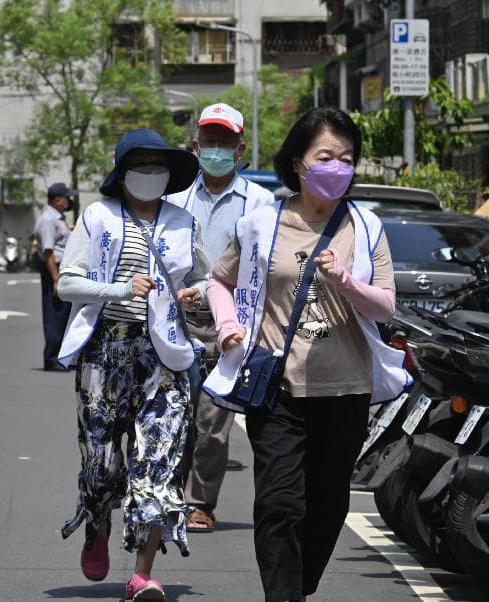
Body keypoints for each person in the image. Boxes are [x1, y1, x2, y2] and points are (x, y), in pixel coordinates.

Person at [203, 106, 410, 602]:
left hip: (347, 390)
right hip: (278, 389)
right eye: (325, 156)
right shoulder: (260, 224)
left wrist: (345, 280)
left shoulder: (366, 227)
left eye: (347, 158)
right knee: (279, 505)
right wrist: (229, 325)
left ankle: (297, 586)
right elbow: (219, 280)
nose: (337, 166)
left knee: (327, 506)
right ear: (298, 162)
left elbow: (385, 307)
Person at [56, 129, 208, 601]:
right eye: (140, 163)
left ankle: (142, 574)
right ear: (122, 174)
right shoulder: (97, 217)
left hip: (164, 357)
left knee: (159, 463)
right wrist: (119, 290)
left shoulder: (184, 222)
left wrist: (196, 295)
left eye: (157, 164)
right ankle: (98, 521)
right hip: (106, 352)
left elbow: (204, 281)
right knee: (100, 464)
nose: (150, 172)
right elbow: (67, 284)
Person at [165, 103, 275, 533]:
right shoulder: (175, 200)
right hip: (176, 320)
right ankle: (167, 492)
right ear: (195, 146)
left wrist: (213, 291)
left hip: (230, 326)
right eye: (208, 141)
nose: (215, 149)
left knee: (212, 420)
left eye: (223, 142)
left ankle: (199, 502)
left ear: (239, 147)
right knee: (175, 413)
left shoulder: (261, 202)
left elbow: (261, 266)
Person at [35, 182, 76, 371]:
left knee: (64, 313)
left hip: (63, 268)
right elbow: (49, 252)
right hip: (55, 269)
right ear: (57, 199)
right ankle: (52, 358)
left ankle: (61, 356)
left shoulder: (58, 218)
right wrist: (56, 279)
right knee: (55, 314)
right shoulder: (48, 220)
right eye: (67, 197)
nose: (70, 200)